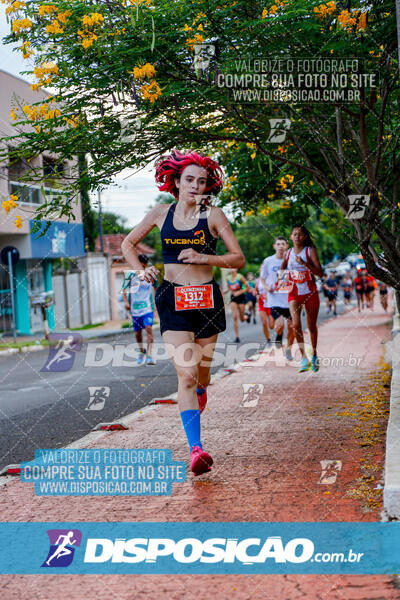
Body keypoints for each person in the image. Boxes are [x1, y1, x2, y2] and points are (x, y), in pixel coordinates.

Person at [121, 149, 245, 476]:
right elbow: (127, 244)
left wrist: (204, 258)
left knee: (202, 375)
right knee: (186, 375)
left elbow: (238, 259)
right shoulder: (160, 214)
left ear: (208, 187)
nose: (195, 185)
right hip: (172, 298)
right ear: (176, 181)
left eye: (201, 181)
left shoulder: (214, 216)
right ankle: (196, 449)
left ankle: (203, 390)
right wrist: (140, 271)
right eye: (189, 179)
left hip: (206, 300)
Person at [279, 225, 323, 373]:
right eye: (294, 234)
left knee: (311, 326)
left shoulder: (309, 251)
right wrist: (282, 279)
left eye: (300, 234)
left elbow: (320, 273)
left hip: (310, 292)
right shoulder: (288, 253)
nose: (297, 237)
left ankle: (314, 355)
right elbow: (283, 268)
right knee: (296, 324)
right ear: (291, 237)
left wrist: (305, 264)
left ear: (305, 237)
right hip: (294, 293)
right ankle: (304, 358)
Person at [260, 236, 294, 358]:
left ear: (287, 246)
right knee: (279, 325)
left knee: (292, 326)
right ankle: (279, 336)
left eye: (283, 244)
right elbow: (262, 279)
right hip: (274, 299)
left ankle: (289, 350)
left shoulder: (291, 260)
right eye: (278, 244)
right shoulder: (268, 261)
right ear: (274, 246)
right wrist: (267, 287)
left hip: (289, 299)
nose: (280, 246)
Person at [123, 254, 156, 366]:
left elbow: (156, 289)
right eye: (139, 265)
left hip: (147, 309)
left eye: (143, 266)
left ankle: (149, 355)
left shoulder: (150, 274)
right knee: (138, 334)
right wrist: (126, 303)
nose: (141, 268)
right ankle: (142, 351)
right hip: (135, 310)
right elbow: (124, 291)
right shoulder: (130, 275)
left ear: (146, 265)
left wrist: (156, 304)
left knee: (148, 329)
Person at [225, 268, 250, 343]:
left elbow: (247, 287)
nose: (232, 269)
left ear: (236, 269)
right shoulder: (227, 278)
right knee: (235, 317)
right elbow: (229, 288)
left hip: (241, 297)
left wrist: (239, 292)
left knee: (242, 319)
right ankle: (237, 337)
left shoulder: (240, 277)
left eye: (233, 267)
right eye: (231, 267)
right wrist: (224, 292)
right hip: (233, 298)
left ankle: (247, 316)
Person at [255, 274, 272, 349]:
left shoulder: (271, 278)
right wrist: (257, 295)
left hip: (271, 304)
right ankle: (268, 340)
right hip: (262, 304)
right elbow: (256, 292)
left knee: (271, 326)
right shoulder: (257, 281)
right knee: (264, 323)